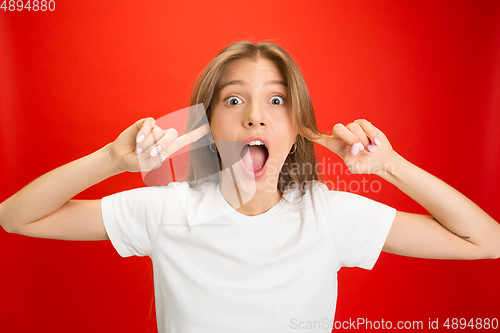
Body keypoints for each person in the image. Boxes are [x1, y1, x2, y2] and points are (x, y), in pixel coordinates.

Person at [1, 40, 499, 333]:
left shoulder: (330, 215)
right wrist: (112, 159)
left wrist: (389, 166)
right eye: (235, 101)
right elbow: (14, 216)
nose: (257, 118)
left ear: (299, 125)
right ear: (208, 123)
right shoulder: (167, 210)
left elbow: (488, 242)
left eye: (277, 102)